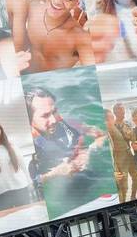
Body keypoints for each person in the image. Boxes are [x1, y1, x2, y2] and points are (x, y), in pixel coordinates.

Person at [24, 86, 112, 217]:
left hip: (89, 178)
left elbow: (102, 135)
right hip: (64, 197)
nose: (54, 120)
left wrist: (88, 151)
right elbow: (31, 185)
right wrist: (56, 172)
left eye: (54, 111)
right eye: (45, 115)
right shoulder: (32, 146)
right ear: (29, 119)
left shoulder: (68, 122)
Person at [25, 0, 94, 72]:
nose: (57, 1)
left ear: (76, 4)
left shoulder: (79, 37)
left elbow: (93, 72)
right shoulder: (32, 10)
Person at [0, 120, 34, 212]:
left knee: (26, 214)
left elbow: (22, 165)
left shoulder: (12, 146)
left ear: (1, 131)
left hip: (20, 187)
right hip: (0, 192)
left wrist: (29, 182)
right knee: (8, 219)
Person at [107, 103, 137, 203]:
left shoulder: (127, 125)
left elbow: (132, 138)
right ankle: (123, 202)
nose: (123, 113)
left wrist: (134, 141)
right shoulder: (111, 126)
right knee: (123, 183)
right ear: (115, 112)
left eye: (123, 110)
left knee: (136, 177)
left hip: (128, 154)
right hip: (119, 157)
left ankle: (133, 196)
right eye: (121, 111)